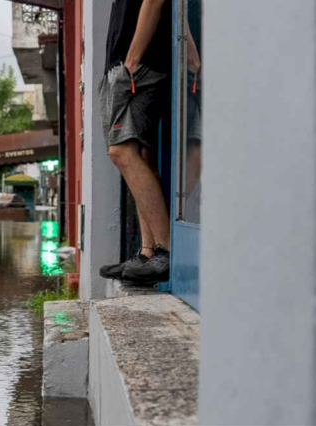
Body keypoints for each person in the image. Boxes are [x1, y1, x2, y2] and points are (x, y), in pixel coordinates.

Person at [98, 0, 172, 284]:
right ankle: (148, 251)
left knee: (121, 151)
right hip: (133, 65)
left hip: (137, 67)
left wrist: (131, 61)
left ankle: (165, 248)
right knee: (141, 156)